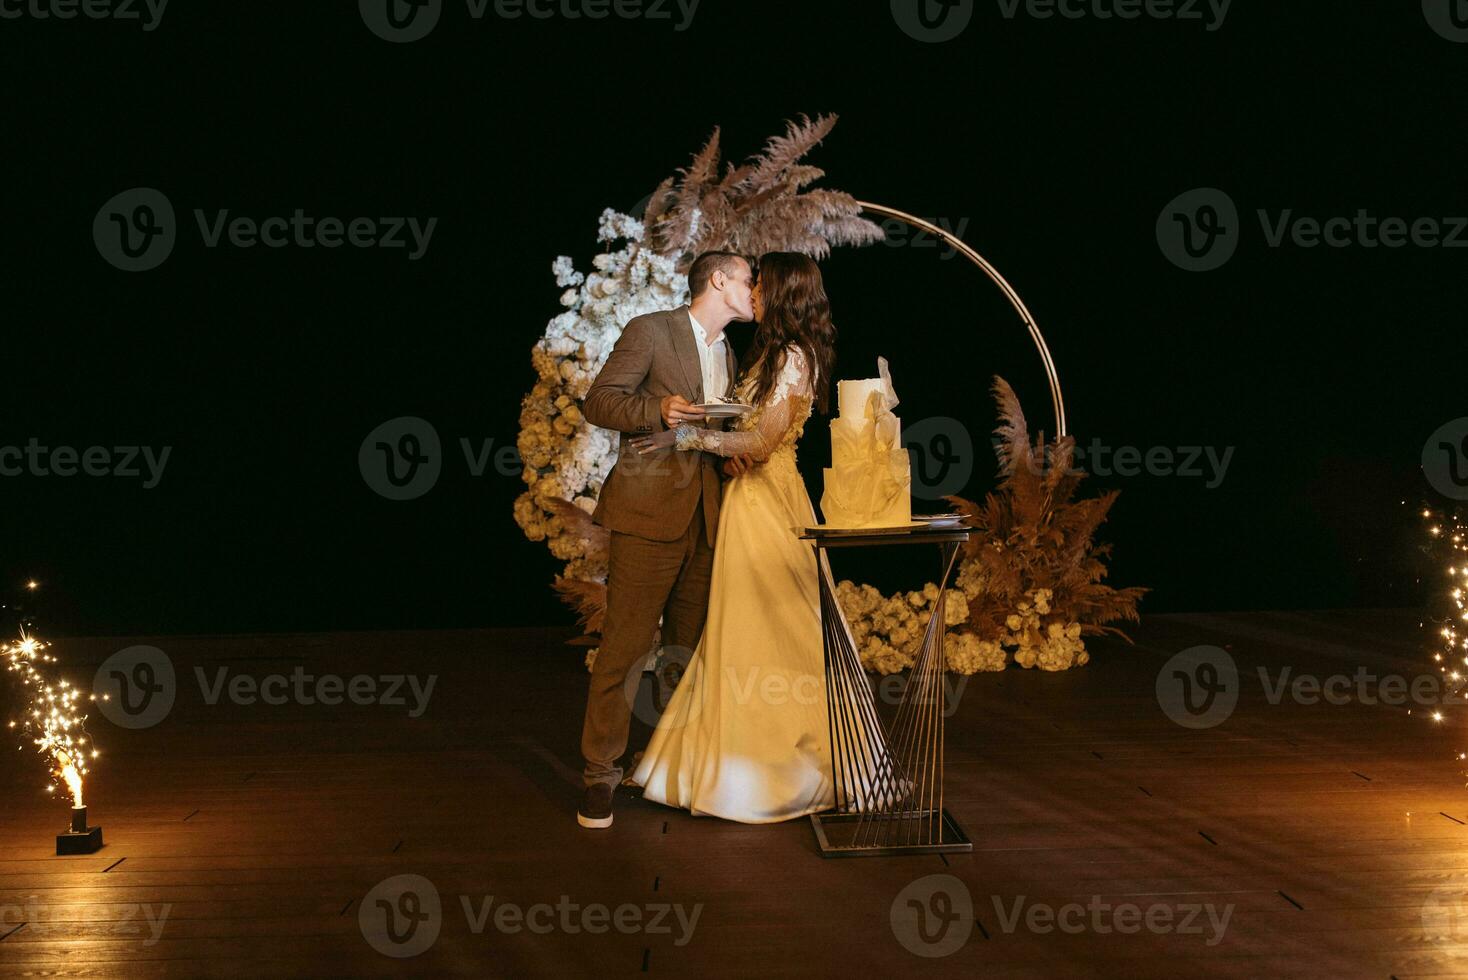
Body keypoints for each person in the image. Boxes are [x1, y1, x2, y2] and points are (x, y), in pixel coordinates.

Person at [626, 252, 892, 823]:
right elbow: (745, 431)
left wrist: (689, 440)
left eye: (762, 284)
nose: (754, 293)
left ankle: (778, 768)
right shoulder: (767, 353)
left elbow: (762, 442)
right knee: (736, 625)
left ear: (784, 292)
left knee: (779, 624)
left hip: (772, 502)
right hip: (744, 501)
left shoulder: (795, 357)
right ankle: (725, 758)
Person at [576, 250, 757, 828]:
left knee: (687, 651)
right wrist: (659, 408)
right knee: (625, 650)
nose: (755, 292)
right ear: (720, 280)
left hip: (706, 517)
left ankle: (667, 769)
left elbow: (716, 435)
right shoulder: (651, 330)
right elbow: (599, 401)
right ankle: (599, 776)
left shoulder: (729, 352)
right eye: (749, 280)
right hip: (648, 515)